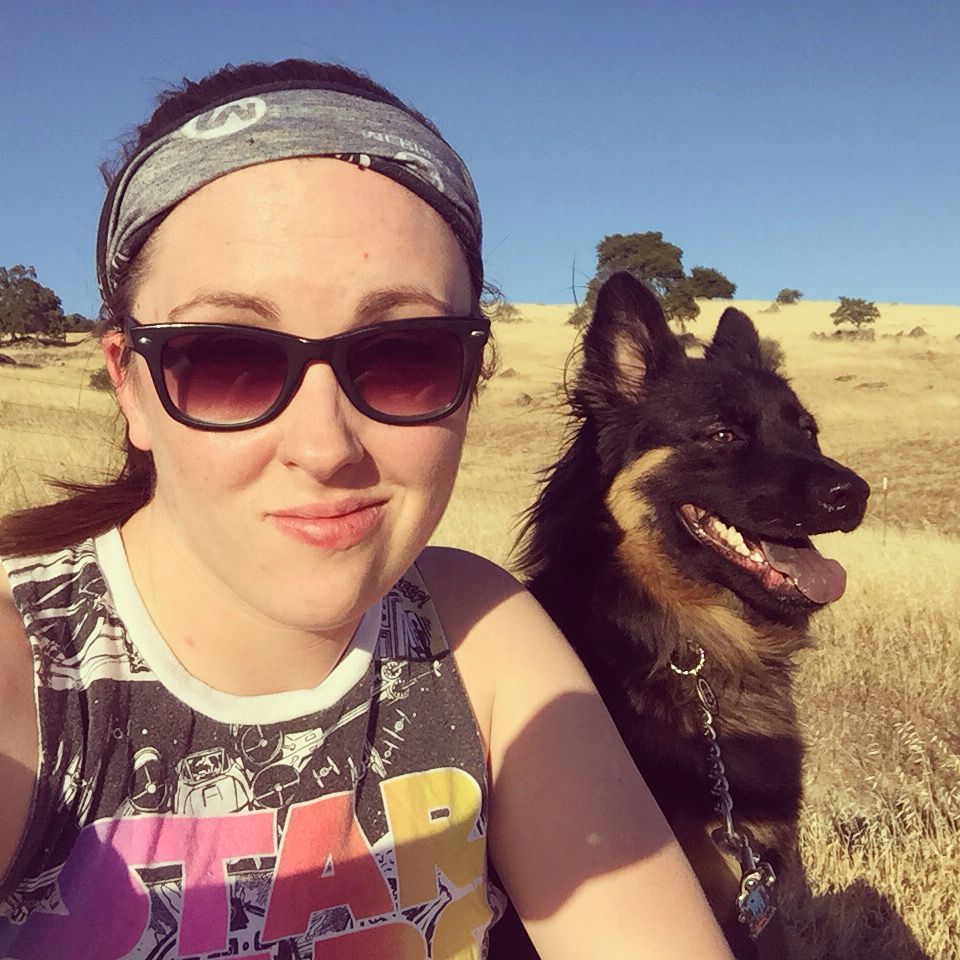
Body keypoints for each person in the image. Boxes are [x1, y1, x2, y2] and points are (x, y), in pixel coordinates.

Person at [0, 59, 733, 959]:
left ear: (470, 378)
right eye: (227, 357)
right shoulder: (28, 669)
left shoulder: (477, 632)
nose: (325, 446)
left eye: (405, 354)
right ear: (132, 386)